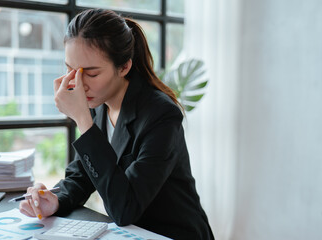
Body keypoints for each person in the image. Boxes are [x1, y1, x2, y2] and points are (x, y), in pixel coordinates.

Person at [19, 9, 214, 240]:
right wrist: (54, 200)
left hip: (171, 233)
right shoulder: (98, 103)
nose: (77, 83)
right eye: (70, 69)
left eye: (90, 73)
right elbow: (81, 176)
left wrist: (83, 120)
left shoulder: (161, 115)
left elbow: (125, 208)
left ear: (124, 67)